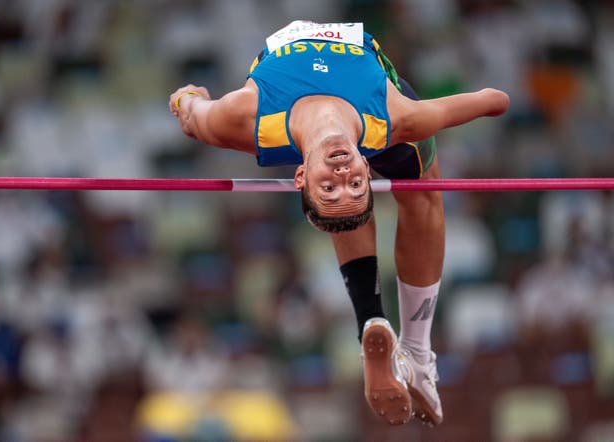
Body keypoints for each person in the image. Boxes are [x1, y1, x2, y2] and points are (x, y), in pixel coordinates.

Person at [169, 20, 509, 426]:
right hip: (376, 120)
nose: (342, 174)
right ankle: (416, 353)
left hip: (298, 96)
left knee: (366, 209)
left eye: (328, 187)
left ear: (300, 177)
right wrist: (490, 100)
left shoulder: (245, 120)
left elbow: (193, 117)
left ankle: (386, 332)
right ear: (366, 166)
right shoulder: (400, 117)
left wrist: (186, 98)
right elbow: (495, 99)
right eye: (354, 183)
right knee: (421, 193)